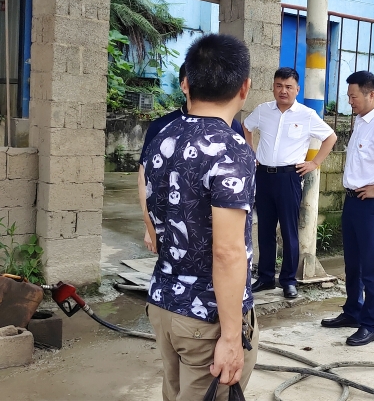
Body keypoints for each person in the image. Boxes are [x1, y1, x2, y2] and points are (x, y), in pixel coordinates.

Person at [142, 33, 258, 401]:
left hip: (164, 303)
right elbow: (227, 251)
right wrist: (231, 336)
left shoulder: (162, 137)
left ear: (187, 84)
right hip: (206, 317)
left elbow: (148, 203)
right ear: (245, 88)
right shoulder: (231, 149)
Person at [320, 71, 374, 347]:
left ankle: (371, 324)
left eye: (353, 96)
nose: (349, 101)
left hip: (372, 203)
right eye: (349, 96)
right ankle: (353, 311)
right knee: (352, 262)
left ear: (371, 94)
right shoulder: (360, 120)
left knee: (372, 266)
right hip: (353, 200)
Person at [243, 67, 337, 299]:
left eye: (288, 87)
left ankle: (288, 280)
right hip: (263, 175)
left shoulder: (306, 115)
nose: (283, 91)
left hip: (289, 178)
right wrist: (250, 153)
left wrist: (314, 163)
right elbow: (246, 126)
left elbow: (330, 137)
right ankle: (265, 277)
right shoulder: (263, 110)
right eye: (279, 86)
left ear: (297, 89)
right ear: (273, 87)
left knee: (288, 230)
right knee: (265, 229)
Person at [138, 63, 245, 253]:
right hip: (172, 227)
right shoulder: (162, 127)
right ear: (185, 85)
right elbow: (144, 178)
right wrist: (149, 222)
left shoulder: (233, 127)